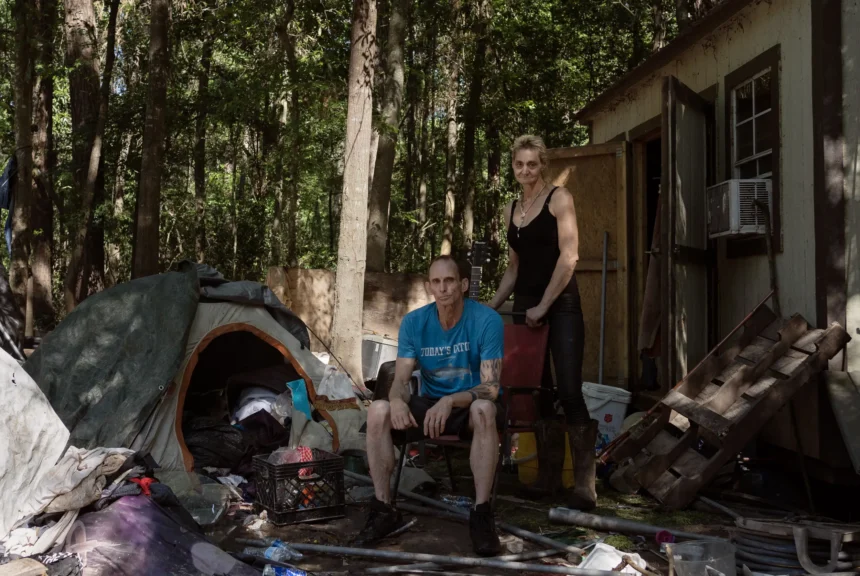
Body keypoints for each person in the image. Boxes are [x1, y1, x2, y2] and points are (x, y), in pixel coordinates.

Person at [358, 255, 504, 556]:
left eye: (449, 281)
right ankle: (384, 508)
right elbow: (400, 379)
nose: (443, 288)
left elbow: (490, 388)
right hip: (429, 406)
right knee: (378, 410)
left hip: (466, 406)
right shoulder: (415, 322)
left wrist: (451, 401)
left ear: (463, 285)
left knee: (485, 409)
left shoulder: (487, 320)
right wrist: (397, 400)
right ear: (429, 286)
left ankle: (481, 513)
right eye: (436, 282)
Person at [487, 134, 598, 510]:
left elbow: (570, 258)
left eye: (532, 164)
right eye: (519, 164)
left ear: (542, 164)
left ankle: (584, 486)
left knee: (568, 389)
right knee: (537, 392)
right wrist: (491, 306)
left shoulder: (559, 199)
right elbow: (514, 268)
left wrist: (545, 306)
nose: (525, 170)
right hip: (526, 306)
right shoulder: (511, 209)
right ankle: (549, 479)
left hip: (561, 304)